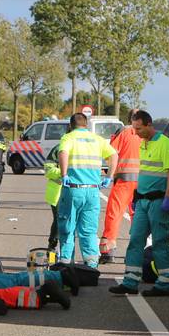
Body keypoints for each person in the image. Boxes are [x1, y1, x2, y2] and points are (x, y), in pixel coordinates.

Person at [110, 110, 169, 297]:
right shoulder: (143, 143)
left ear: (149, 124)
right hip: (142, 200)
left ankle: (164, 284)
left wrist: (168, 196)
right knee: (135, 240)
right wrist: (136, 195)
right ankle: (130, 281)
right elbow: (144, 172)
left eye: (139, 128)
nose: (136, 132)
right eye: (134, 129)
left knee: (160, 242)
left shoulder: (166, 145)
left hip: (158, 201)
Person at [55, 112, 117, 269]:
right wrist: (109, 177)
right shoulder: (97, 139)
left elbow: (63, 153)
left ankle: (66, 265)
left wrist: (64, 174)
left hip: (73, 189)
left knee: (67, 228)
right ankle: (91, 267)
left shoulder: (69, 138)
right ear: (86, 124)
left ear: (70, 125)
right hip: (92, 191)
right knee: (88, 231)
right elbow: (114, 155)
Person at [100, 108, 142, 263]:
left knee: (114, 213)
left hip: (124, 181)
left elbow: (111, 154)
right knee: (138, 217)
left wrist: (109, 175)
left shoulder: (123, 132)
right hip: (142, 183)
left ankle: (108, 251)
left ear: (129, 118)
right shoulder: (147, 135)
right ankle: (137, 253)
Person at [42, 149, 62, 249]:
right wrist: (65, 172)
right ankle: (52, 245)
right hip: (58, 192)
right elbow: (48, 170)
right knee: (59, 218)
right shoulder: (58, 149)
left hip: (80, 192)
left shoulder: (86, 147)